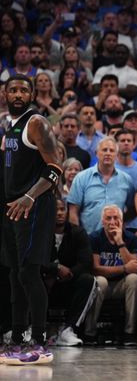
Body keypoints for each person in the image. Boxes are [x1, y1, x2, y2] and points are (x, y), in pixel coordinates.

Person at [0, 75, 62, 365]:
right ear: (5, 93)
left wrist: (29, 197)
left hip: (34, 206)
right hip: (12, 208)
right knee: (14, 275)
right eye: (13, 89)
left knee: (29, 273)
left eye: (24, 90)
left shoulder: (36, 122)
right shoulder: (8, 127)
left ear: (32, 94)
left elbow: (55, 169)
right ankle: (15, 340)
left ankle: (39, 342)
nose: (18, 94)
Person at [84, 205, 137, 346]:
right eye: (108, 218)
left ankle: (130, 333)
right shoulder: (95, 238)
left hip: (121, 286)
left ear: (122, 221)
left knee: (134, 279)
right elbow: (96, 269)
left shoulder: (130, 238)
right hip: (103, 285)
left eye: (116, 218)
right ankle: (89, 333)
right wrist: (123, 268)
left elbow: (135, 268)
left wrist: (120, 242)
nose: (112, 222)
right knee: (100, 281)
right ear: (102, 221)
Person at [45, 198, 95, 347]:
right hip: (45, 283)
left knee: (89, 280)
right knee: (28, 277)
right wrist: (56, 269)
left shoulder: (78, 232)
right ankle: (33, 328)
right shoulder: (41, 233)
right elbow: (33, 260)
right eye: (55, 210)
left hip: (69, 283)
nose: (60, 213)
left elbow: (86, 263)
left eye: (62, 209)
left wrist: (67, 274)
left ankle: (69, 329)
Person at [67, 137, 136, 235]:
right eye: (104, 150)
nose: (108, 153)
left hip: (116, 238)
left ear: (117, 156)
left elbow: (133, 209)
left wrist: (122, 222)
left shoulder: (126, 180)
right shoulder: (81, 178)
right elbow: (73, 212)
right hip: (87, 238)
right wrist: (78, 238)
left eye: (111, 151)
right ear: (97, 153)